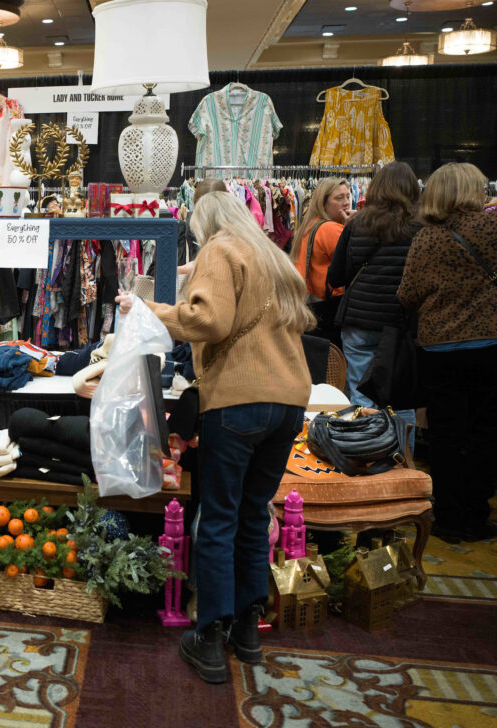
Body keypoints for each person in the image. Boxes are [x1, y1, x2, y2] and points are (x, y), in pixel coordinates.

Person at [117, 191, 313, 684]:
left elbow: (210, 320)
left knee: (219, 519)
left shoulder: (219, 250)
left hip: (238, 402)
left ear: (203, 223)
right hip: (288, 400)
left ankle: (208, 641)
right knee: (253, 515)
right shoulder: (269, 253)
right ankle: (246, 632)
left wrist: (149, 309)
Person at [398, 162, 497, 544]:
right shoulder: (492, 228)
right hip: (490, 344)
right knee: (486, 432)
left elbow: (407, 295)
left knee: (445, 433)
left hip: (439, 347)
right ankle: (477, 514)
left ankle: (449, 518)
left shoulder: (427, 238)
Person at [326, 162, 421, 452]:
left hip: (359, 320)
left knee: (359, 391)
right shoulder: (422, 227)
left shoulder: (358, 223)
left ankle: (362, 455)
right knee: (401, 394)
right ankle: (403, 463)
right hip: (401, 323)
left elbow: (336, 276)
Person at [291, 177, 352, 344]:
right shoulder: (331, 229)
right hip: (329, 306)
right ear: (323, 203)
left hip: (310, 303)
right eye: (339, 198)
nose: (346, 202)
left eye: (348, 196)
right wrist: (351, 230)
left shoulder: (310, 224)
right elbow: (354, 263)